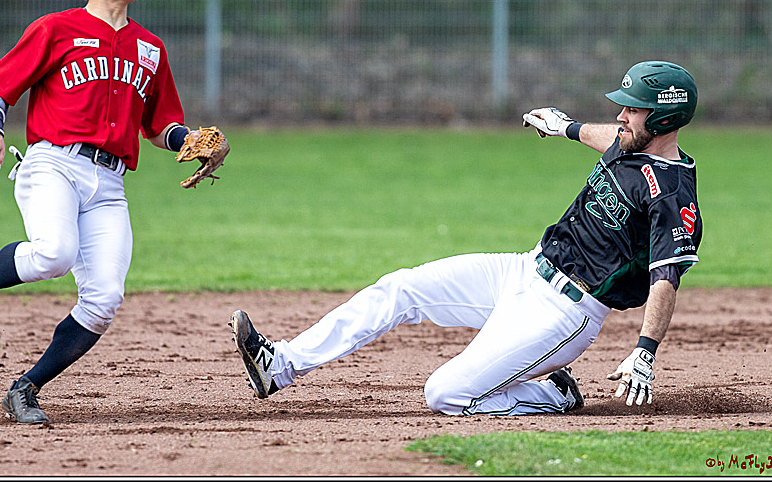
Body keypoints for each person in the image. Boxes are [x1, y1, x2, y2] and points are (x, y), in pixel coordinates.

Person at [231, 61, 701, 415]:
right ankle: (281, 366)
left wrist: (645, 351)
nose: (621, 115)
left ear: (663, 120)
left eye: (633, 109)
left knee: (446, 395)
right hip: (521, 269)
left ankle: (551, 394)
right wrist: (566, 128)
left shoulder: (673, 196)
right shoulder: (629, 142)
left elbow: (665, 279)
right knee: (401, 288)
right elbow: (611, 137)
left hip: (567, 313)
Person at [0, 0, 225, 424]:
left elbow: (160, 126)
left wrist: (190, 145)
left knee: (104, 299)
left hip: (110, 182)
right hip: (53, 163)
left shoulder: (150, 47)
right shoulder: (56, 29)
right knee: (54, 253)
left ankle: (25, 387)